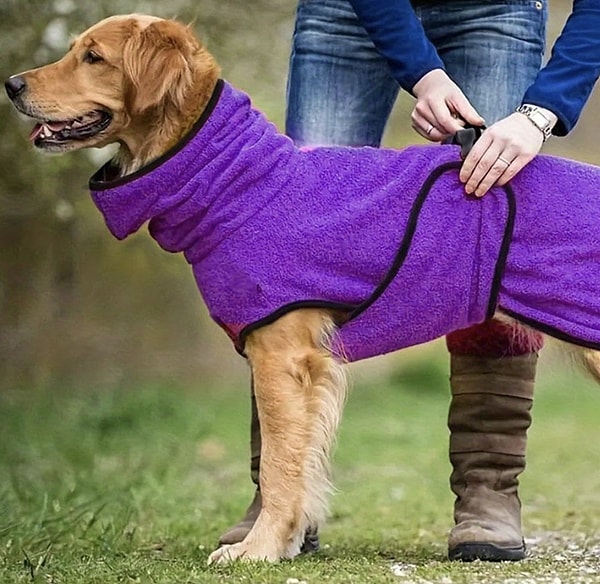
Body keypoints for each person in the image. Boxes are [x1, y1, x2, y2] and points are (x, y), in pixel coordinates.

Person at [219, 0, 600, 562]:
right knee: (290, 256)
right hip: (347, 13)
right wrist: (419, 70)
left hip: (496, 13)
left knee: (491, 234)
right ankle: (280, 505)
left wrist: (541, 111)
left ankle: (487, 489)